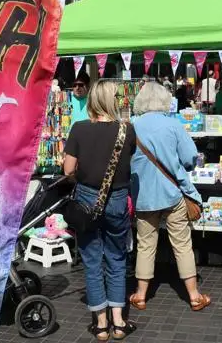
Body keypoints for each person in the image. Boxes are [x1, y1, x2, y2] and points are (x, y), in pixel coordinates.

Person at [63, 81, 138, 341]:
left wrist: (82, 181)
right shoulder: (127, 130)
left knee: (92, 261)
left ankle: (101, 324)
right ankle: (119, 321)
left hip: (85, 198)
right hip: (117, 199)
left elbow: (68, 170)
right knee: (116, 259)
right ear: (113, 101)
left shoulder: (79, 129)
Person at [127, 82, 210, 312]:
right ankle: (194, 295)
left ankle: (141, 295)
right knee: (182, 245)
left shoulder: (132, 126)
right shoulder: (173, 125)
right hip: (172, 193)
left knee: (145, 245)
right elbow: (190, 158)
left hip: (143, 194)